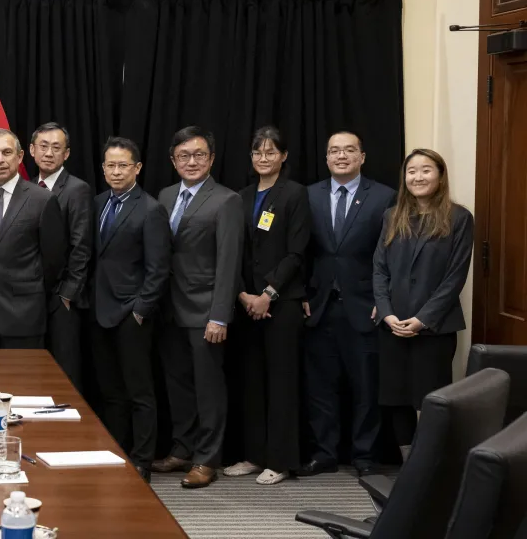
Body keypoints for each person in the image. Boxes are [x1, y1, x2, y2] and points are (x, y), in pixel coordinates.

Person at [150, 125, 243, 489]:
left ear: (212, 158)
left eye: (199, 155)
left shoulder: (226, 199)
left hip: (206, 311)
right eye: (184, 156)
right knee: (177, 386)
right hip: (169, 310)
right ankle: (182, 449)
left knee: (208, 389)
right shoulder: (165, 194)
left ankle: (207, 459)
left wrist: (220, 315)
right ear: (173, 161)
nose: (192, 161)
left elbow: (229, 262)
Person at [299, 131, 394, 478]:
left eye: (349, 150)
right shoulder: (308, 195)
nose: (341, 156)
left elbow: (392, 255)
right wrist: (302, 296)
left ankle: (365, 456)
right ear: (326, 158)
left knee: (366, 388)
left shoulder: (384, 197)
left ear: (362, 157)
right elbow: (299, 252)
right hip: (319, 306)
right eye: (334, 151)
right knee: (320, 388)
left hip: (365, 307)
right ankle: (324, 453)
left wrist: (384, 300)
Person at [223, 127, 310, 485]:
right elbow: (234, 252)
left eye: (271, 151)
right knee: (251, 382)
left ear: (284, 156)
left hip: (280, 304)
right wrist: (244, 294)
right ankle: (254, 455)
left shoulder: (295, 194)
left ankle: (281, 459)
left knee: (281, 382)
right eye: (258, 152)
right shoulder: (240, 197)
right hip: (246, 304)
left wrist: (268, 293)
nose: (263, 157)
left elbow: (297, 251)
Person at [373, 148, 473, 455]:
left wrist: (423, 319)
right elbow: (379, 268)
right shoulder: (392, 216)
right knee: (397, 399)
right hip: (393, 326)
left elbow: (454, 278)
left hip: (434, 330)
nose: (418, 176)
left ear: (440, 176)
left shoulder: (459, 218)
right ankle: (408, 466)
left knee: (431, 400)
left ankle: (430, 466)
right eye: (411, 171)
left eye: (426, 170)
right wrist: (387, 313)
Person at [90, 137, 170, 483]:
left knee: (140, 392)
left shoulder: (150, 208)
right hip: (99, 310)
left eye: (123, 165)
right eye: (111, 165)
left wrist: (140, 310)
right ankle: (115, 450)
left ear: (137, 168)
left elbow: (158, 268)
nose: (116, 171)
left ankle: (142, 460)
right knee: (110, 392)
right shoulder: (97, 204)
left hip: (131, 314)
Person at [0, 128, 67, 349]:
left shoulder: (42, 200)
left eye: (6, 152)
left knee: (21, 383)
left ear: (19, 157)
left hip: (23, 317)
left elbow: (53, 262)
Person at [29, 122, 93, 387]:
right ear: (31, 150)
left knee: (65, 372)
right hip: (31, 296)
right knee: (35, 369)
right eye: (43, 146)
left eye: (56, 148)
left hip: (62, 298)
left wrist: (68, 292)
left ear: (66, 154)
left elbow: (82, 245)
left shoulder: (77, 189)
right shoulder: (27, 187)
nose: (48, 153)